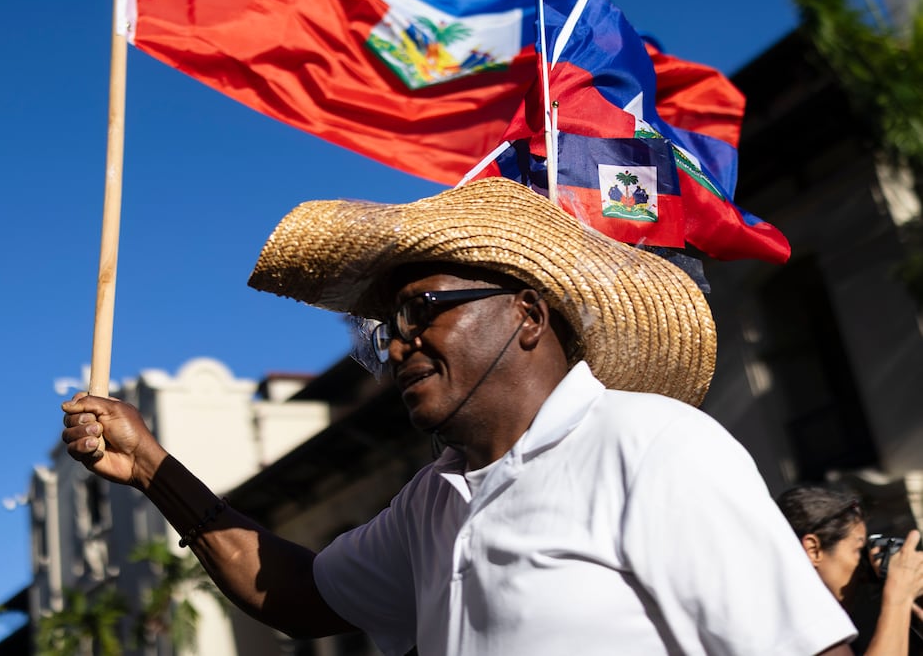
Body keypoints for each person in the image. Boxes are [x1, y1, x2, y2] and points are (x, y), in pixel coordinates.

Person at [63, 176, 858, 654]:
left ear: (526, 314)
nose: (397, 343)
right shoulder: (433, 503)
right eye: (386, 329)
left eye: (422, 311)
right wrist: (151, 468)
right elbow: (296, 595)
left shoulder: (651, 445)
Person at [777, 485, 923, 656]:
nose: (863, 572)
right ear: (813, 550)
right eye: (857, 550)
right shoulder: (793, 629)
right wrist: (898, 597)